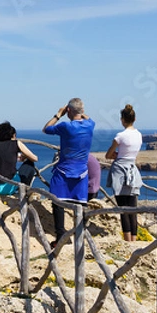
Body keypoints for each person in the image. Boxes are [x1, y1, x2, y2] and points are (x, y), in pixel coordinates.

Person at [42, 98, 95, 247]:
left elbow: (46, 129)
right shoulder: (90, 125)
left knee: (57, 203)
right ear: (82, 111)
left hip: (64, 171)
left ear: (68, 111)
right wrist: (80, 112)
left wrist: (58, 114)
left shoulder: (65, 126)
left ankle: (61, 237)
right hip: (82, 173)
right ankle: (79, 234)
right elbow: (87, 118)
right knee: (80, 204)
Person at [105, 104, 142, 242]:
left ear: (122, 120)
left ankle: (127, 241)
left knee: (123, 208)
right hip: (132, 169)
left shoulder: (120, 136)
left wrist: (116, 154)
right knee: (132, 208)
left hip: (120, 170)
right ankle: (134, 240)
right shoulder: (138, 135)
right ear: (134, 118)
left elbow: (108, 155)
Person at [0, 121, 38, 195]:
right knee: (29, 163)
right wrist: (25, 156)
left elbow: (5, 158)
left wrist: (18, 157)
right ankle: (24, 191)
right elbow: (35, 158)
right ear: (13, 135)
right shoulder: (16, 143)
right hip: (9, 186)